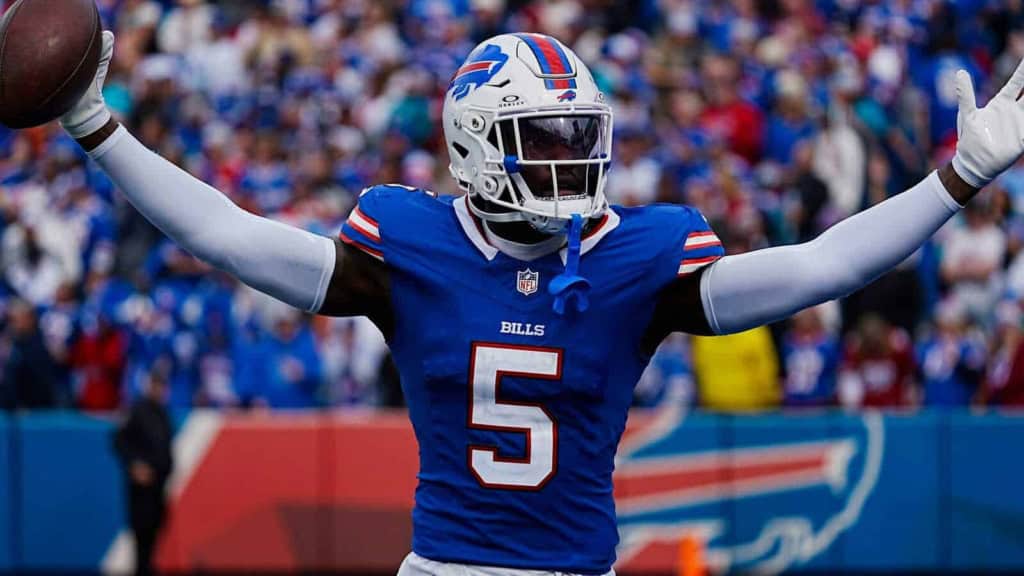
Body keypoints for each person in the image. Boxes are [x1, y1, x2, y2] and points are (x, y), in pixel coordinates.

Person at [58, 30, 1024, 576]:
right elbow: (227, 234)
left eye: (577, 132)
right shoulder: (407, 244)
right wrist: (99, 128)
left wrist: (959, 176)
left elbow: (821, 266)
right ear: (477, 145)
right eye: (542, 135)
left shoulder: (637, 257)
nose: (571, 156)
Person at [113, 371, 173, 576]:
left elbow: (166, 450)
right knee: (142, 536)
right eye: (156, 385)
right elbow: (118, 440)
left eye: (162, 386)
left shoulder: (163, 413)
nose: (159, 390)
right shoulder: (137, 410)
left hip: (158, 487)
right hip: (141, 489)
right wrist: (134, 466)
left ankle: (148, 568)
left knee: (155, 536)